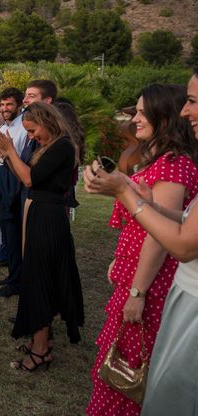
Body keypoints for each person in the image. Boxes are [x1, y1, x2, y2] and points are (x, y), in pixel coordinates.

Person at [83, 69, 198, 416]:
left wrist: (138, 291)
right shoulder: (161, 160)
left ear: (164, 117)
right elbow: (167, 217)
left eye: (141, 113)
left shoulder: (176, 165)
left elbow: (163, 239)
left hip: (151, 284)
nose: (134, 119)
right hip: (135, 275)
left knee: (127, 369)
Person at [0, 102, 85, 371]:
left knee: (41, 279)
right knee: (35, 276)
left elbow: (30, 179)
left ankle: (41, 350)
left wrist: (9, 150)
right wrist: (5, 155)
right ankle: (37, 340)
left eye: (33, 131)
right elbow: (26, 176)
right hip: (39, 216)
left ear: (48, 121)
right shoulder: (50, 145)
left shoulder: (63, 146)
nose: (31, 136)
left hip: (48, 221)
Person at [0, 88, 27, 296]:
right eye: (2, 105)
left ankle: (16, 282)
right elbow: (3, 154)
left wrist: (0, 161)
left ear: (19, 105)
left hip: (14, 183)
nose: (4, 109)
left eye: (9, 104)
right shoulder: (6, 126)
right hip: (3, 179)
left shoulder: (23, 127)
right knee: (8, 235)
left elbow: (16, 159)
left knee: (14, 234)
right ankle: (12, 276)